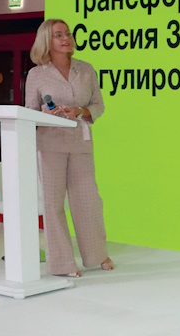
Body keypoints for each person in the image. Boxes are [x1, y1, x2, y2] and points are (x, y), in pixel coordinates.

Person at [24, 18, 114, 277]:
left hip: (80, 142)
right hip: (50, 144)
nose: (66, 39)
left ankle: (96, 255)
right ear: (47, 40)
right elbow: (29, 111)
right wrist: (45, 113)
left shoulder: (86, 69)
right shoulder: (36, 74)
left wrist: (80, 111)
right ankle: (63, 264)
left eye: (68, 34)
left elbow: (98, 105)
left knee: (88, 201)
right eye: (59, 35)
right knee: (53, 205)